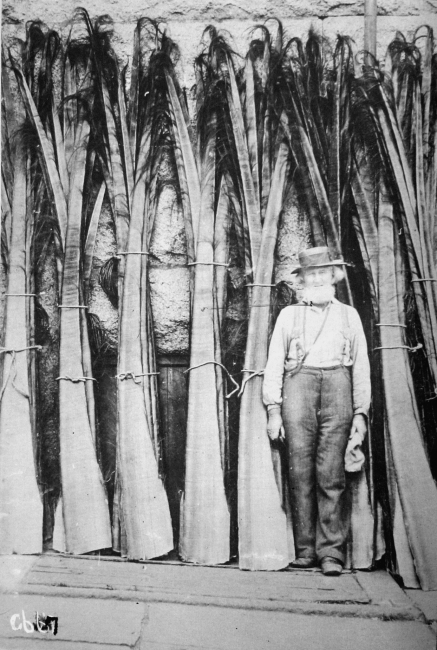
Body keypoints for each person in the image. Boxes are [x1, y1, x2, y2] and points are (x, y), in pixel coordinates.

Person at [263, 247, 371, 576]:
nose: (318, 278)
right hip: (299, 386)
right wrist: (273, 410)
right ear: (303, 280)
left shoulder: (348, 315)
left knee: (332, 473)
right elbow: (274, 364)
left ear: (334, 277)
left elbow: (361, 367)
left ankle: (331, 554)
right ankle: (305, 550)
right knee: (299, 472)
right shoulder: (289, 316)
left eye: (324, 272)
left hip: (338, 384)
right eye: (312, 274)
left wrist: (360, 413)